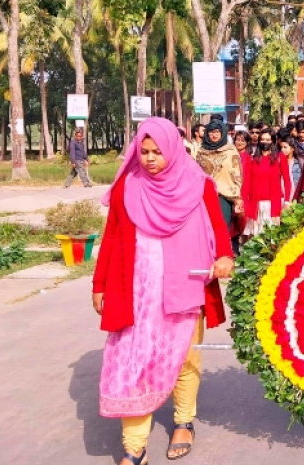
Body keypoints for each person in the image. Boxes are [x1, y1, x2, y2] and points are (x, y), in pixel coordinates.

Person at [93, 117, 234, 465]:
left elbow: (217, 224)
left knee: (185, 358)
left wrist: (225, 255)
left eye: (157, 151)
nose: (151, 158)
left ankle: (184, 422)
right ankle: (134, 447)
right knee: (134, 360)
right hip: (137, 291)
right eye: (144, 151)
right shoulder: (128, 186)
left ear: (173, 148)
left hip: (184, 286)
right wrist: (100, 284)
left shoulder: (198, 184)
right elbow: (111, 236)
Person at [195, 119, 244, 255]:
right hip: (204, 196)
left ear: (222, 133)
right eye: (211, 132)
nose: (214, 135)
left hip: (224, 196)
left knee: (221, 227)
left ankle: (223, 254)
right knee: (206, 227)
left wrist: (236, 196)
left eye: (217, 132)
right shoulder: (201, 152)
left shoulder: (231, 151)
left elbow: (237, 174)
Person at [242, 130, 291, 237]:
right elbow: (247, 182)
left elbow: (287, 181)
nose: (265, 142)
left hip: (273, 203)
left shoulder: (279, 157)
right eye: (262, 139)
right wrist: (243, 201)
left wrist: (287, 201)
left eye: (268, 140)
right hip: (255, 204)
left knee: (272, 236)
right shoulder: (252, 158)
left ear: (273, 141)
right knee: (255, 236)